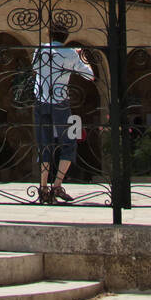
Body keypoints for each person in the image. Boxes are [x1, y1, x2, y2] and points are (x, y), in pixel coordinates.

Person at [31, 25, 95, 204]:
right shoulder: (71, 53)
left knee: (44, 144)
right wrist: (81, 56)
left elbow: (35, 69)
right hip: (60, 102)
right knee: (68, 143)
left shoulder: (40, 49)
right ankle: (57, 185)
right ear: (66, 37)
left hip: (40, 100)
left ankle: (43, 188)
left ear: (49, 35)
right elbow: (90, 76)